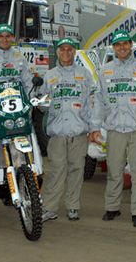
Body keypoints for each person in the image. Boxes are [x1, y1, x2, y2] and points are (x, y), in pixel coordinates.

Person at [90, 30, 136, 228]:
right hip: (114, 130)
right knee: (114, 171)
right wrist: (95, 127)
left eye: (125, 43)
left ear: (131, 45)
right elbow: (99, 101)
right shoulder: (105, 70)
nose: (122, 47)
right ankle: (112, 207)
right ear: (113, 47)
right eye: (118, 44)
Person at [40, 38, 95, 222]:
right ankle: (49, 208)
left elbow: (91, 103)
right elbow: (41, 104)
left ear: (74, 52)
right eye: (62, 49)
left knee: (76, 170)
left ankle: (73, 207)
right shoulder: (50, 76)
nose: (66, 53)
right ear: (57, 52)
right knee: (56, 170)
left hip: (78, 132)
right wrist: (42, 101)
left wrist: (93, 128)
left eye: (69, 49)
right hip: (57, 132)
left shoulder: (84, 75)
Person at [0, 23, 34, 101]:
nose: (4, 40)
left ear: (12, 37)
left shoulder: (21, 58)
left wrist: (29, 101)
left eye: (7, 36)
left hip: (19, 103)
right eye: (1, 36)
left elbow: (28, 82)